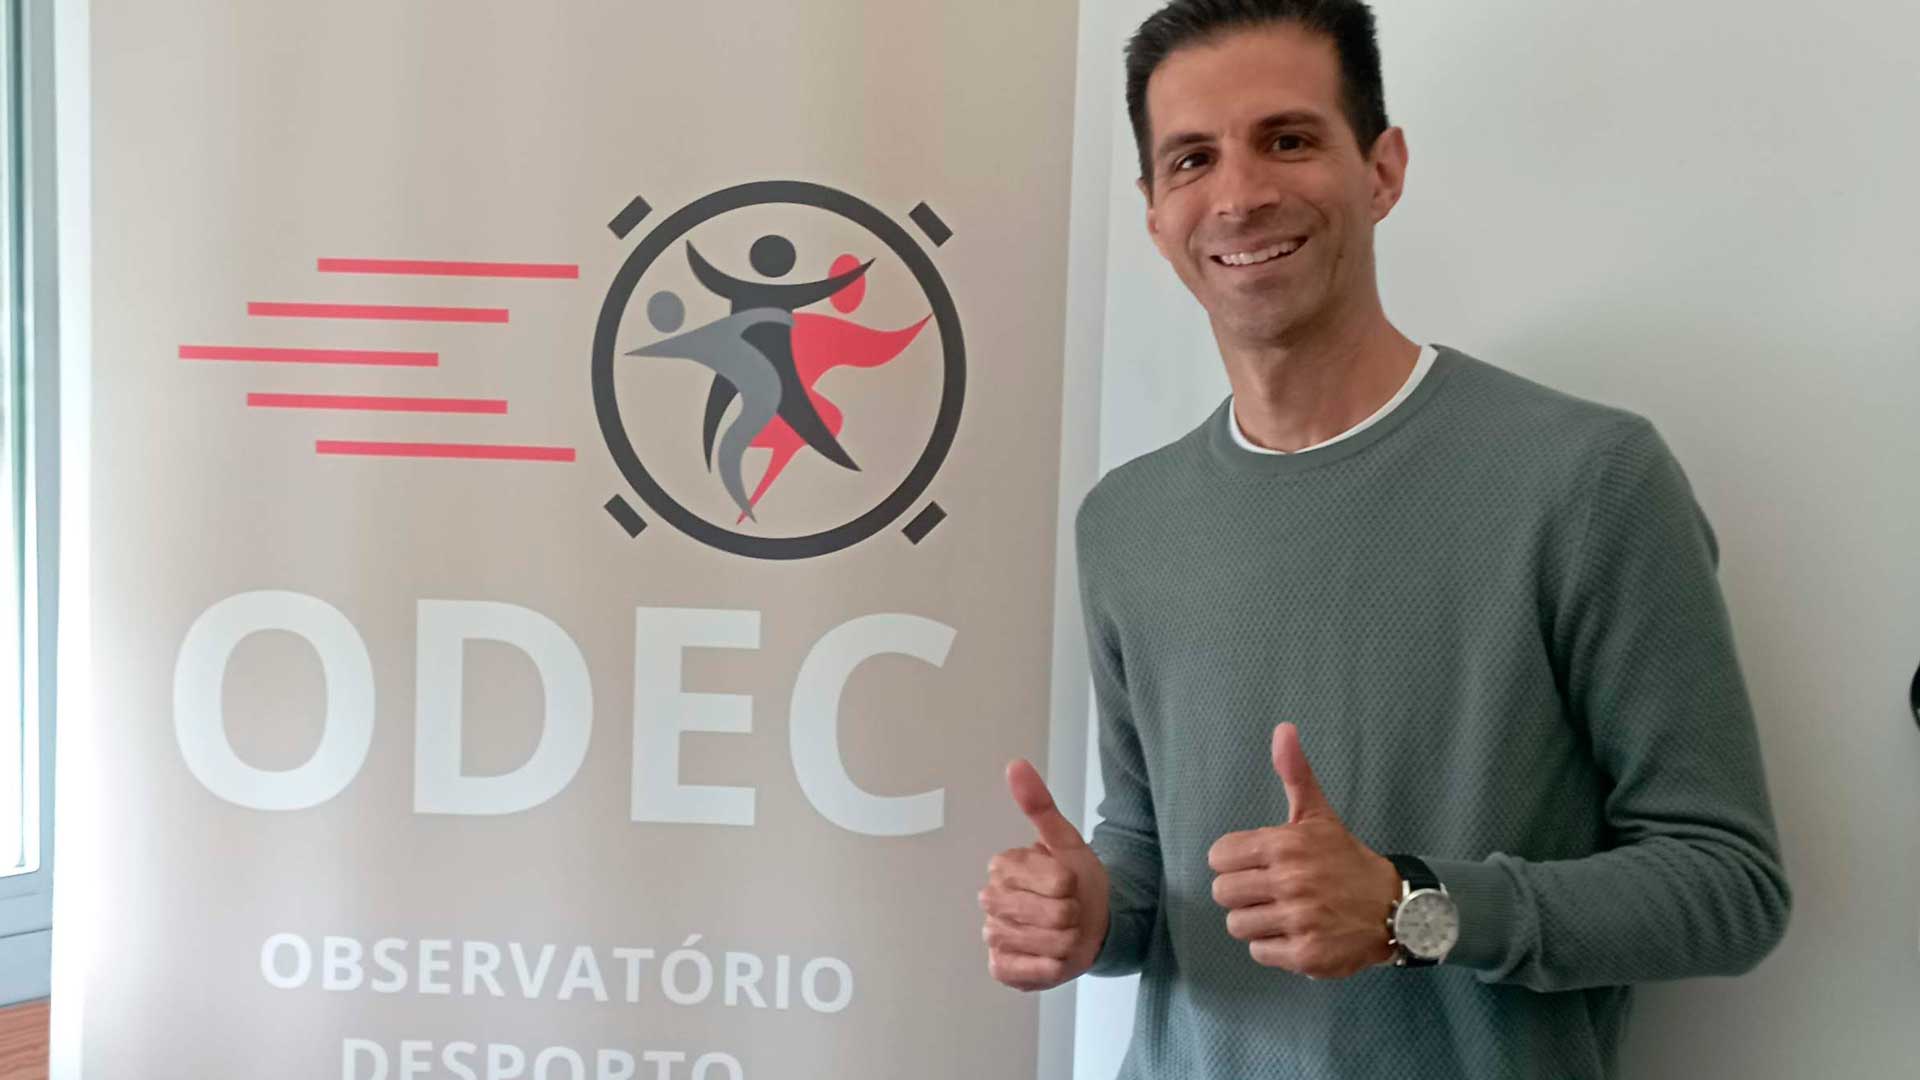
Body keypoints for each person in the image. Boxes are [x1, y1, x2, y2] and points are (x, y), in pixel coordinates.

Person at [976, 2, 1791, 1078]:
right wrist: (1091, 913)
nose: (1239, 193)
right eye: (1191, 159)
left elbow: (1728, 884)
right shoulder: (1126, 520)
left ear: (1383, 169)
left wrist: (1416, 907)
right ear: (1154, 211)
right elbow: (1147, 852)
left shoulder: (1588, 479)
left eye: (1289, 138)